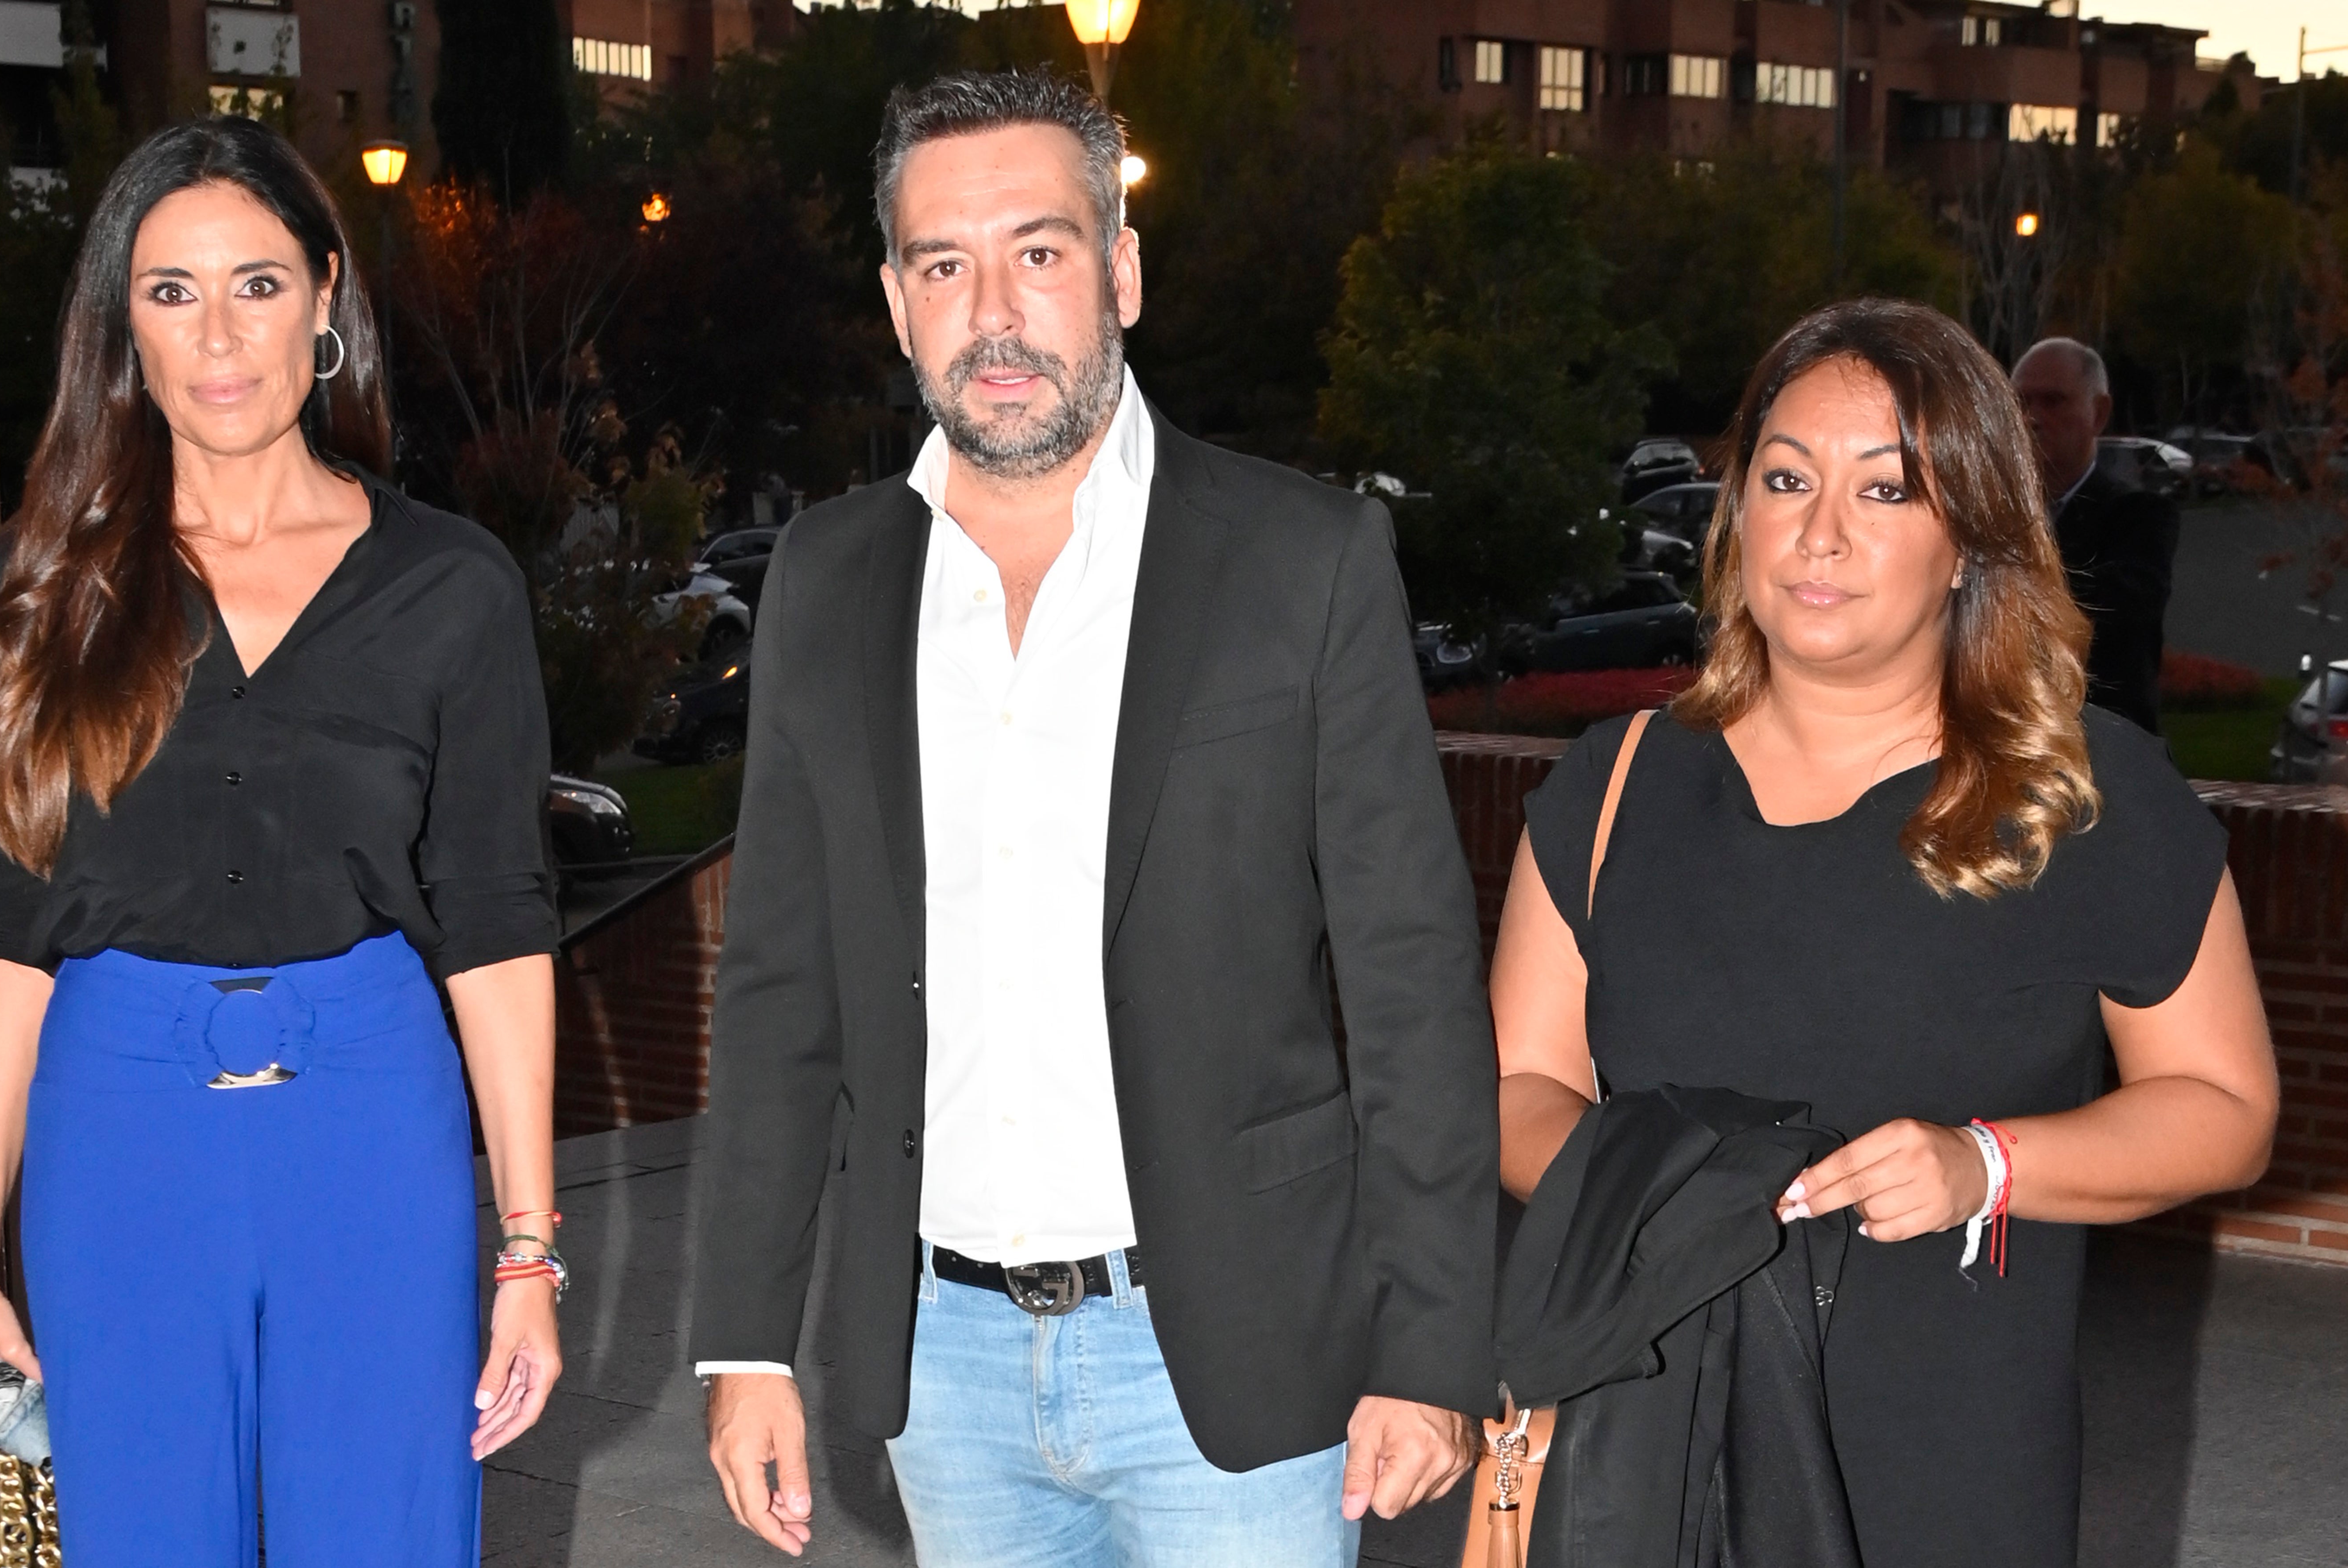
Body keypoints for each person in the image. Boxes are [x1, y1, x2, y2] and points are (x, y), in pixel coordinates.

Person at [693, 69, 1500, 1565]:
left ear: (1119, 270)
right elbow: (779, 985)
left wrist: (1432, 1343)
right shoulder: (827, 577)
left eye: (1040, 251)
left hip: (1239, 1350)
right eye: (945, 265)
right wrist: (743, 1337)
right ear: (897, 302)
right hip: (941, 1366)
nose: (994, 312)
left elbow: (1410, 981)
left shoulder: (1303, 558)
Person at [1493, 299, 2279, 1568]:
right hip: (1643, 1439)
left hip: (1941, 1456)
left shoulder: (2084, 797)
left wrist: (1984, 1163)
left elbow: (2223, 1106)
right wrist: (1660, 1190)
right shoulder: (1614, 783)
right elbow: (1516, 1084)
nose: (1820, 532)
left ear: (1968, 538)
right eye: (1784, 479)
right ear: (1734, 513)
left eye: (1884, 489)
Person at [0, 117, 564, 1567]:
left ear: (324, 294)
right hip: (115, 1123)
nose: (217, 335)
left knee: (388, 1532)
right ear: (124, 328)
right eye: (171, 292)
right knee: (138, 1534)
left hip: (373, 1112)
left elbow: (495, 922)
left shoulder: (450, 588)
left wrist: (527, 1249)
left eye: (257, 285)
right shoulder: (31, 594)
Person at [2012, 336, 2181, 732]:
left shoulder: (2138, 515)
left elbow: (2117, 606)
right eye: (2019, 403)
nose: (2031, 418)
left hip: (2101, 747)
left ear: (2099, 413)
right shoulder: (1987, 514)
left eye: (2053, 401)